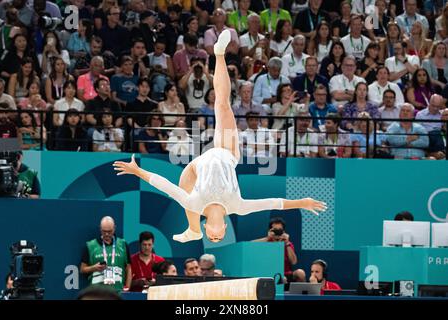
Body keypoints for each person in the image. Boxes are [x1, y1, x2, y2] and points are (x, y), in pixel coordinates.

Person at [113, 31, 327, 243]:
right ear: (225, 226)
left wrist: (137, 170)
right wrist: (302, 202)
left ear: (209, 227)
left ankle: (193, 229)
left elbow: (162, 184)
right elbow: (273, 203)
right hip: (227, 152)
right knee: (223, 104)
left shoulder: (195, 203)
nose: (215, 237)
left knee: (182, 188)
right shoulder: (237, 206)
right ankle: (220, 53)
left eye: (211, 237)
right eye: (220, 237)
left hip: (197, 166)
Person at [80, 216, 132, 291]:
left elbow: (128, 268)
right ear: (100, 229)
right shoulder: (90, 246)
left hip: (118, 292)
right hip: (97, 292)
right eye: (104, 231)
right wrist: (93, 268)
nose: (107, 234)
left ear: (114, 228)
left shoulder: (123, 244)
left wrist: (127, 287)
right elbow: (82, 269)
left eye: (109, 231)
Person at [253, 217, 306, 284]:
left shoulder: (288, 244)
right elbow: (250, 245)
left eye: (280, 230)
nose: (277, 232)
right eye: (275, 230)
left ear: (283, 232)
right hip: (269, 274)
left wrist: (287, 243)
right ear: (270, 231)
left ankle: (302, 293)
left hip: (286, 273)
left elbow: (294, 262)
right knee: (282, 278)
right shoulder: (265, 243)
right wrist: (267, 238)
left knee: (300, 273)